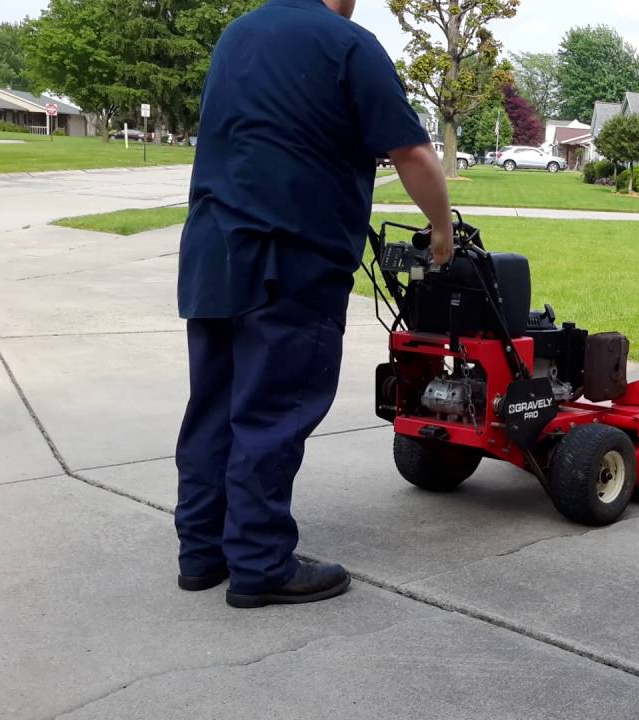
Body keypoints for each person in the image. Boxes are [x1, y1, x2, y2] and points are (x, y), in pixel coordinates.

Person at [174, 0, 453, 609]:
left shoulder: (237, 35)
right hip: (292, 259)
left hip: (213, 252)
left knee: (214, 407)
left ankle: (201, 550)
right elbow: (412, 153)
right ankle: (260, 562)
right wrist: (441, 227)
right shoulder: (346, 44)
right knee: (271, 413)